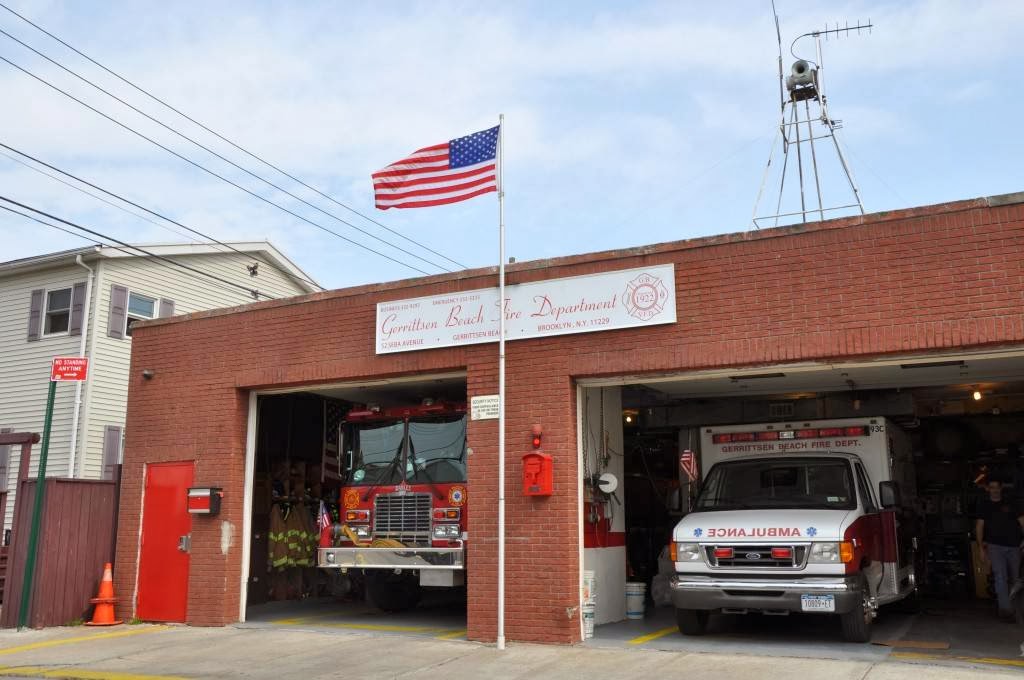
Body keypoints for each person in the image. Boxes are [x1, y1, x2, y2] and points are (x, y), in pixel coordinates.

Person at [976, 478, 1024, 619]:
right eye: (992, 487)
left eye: (997, 487)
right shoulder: (984, 505)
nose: (995, 490)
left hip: (1014, 546)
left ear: (1001, 488)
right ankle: (1005, 610)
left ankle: (1017, 608)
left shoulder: (1011, 503)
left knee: (1016, 579)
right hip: (995, 546)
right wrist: (980, 548)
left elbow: (1022, 521)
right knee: (1000, 577)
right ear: (988, 489)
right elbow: (979, 526)